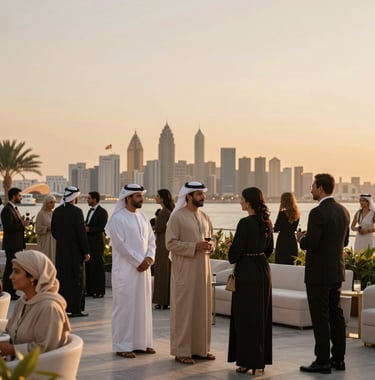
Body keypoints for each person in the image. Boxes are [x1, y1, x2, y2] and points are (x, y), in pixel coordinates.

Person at [297, 173, 350, 374]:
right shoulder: (343, 211)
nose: (311, 189)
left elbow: (312, 244)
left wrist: (301, 239)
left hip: (318, 274)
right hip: (336, 271)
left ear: (320, 189)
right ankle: (338, 360)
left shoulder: (317, 213)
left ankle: (322, 361)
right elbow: (344, 242)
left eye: (312, 186)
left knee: (320, 317)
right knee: (336, 315)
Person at [225, 187, 273, 375]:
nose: (240, 202)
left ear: (249, 202)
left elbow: (234, 254)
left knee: (245, 316)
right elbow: (269, 250)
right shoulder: (267, 222)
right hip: (263, 269)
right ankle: (259, 361)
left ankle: (247, 361)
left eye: (242, 199)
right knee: (261, 315)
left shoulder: (245, 223)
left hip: (247, 271)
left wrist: (229, 244)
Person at [165, 181, 215, 365]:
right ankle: (181, 351)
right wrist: (194, 246)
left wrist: (211, 246)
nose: (203, 197)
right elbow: (170, 243)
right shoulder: (177, 217)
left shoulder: (205, 217)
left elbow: (213, 238)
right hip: (185, 272)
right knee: (184, 311)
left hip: (204, 271)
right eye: (199, 194)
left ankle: (201, 349)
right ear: (189, 196)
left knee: (202, 310)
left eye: (203, 193)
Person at [105, 184, 156, 358]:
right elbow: (120, 245)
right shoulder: (117, 219)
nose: (140, 199)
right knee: (125, 307)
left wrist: (149, 258)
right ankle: (123, 345)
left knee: (143, 306)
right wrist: (138, 261)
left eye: (141, 196)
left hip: (144, 270)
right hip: (126, 271)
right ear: (127, 198)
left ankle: (143, 343)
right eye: (137, 196)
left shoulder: (143, 217)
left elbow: (151, 240)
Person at [0, 249, 71, 358]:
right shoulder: (22, 301)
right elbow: (10, 331)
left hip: (34, 371)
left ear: (32, 276)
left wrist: (12, 350)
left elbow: (47, 349)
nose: (11, 277)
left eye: (17, 272)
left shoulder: (49, 308)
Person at [51, 186, 90, 317]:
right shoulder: (77, 212)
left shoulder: (57, 211)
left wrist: (63, 242)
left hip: (61, 252)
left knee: (62, 279)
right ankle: (76, 309)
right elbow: (81, 234)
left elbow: (54, 231)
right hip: (75, 253)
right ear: (75, 197)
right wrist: (86, 251)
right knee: (76, 279)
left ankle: (63, 307)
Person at [1, 188, 29, 300]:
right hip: (11, 245)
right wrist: (22, 224)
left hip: (16, 244)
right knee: (10, 268)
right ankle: (8, 291)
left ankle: (12, 290)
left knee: (13, 267)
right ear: (13, 196)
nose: (21, 198)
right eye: (19, 196)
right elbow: (8, 227)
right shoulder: (7, 210)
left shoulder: (14, 208)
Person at [152, 189, 175, 310]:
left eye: (157, 196)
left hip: (162, 245)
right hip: (165, 244)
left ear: (162, 198)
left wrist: (153, 223)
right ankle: (165, 300)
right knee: (165, 273)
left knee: (161, 273)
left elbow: (159, 227)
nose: (156, 198)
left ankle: (162, 301)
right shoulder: (168, 211)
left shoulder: (164, 212)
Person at [85, 191, 108, 298]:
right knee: (90, 267)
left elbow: (102, 227)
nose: (88, 200)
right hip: (89, 243)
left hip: (98, 243)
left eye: (89, 198)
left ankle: (99, 291)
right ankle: (90, 290)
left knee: (98, 267)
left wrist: (89, 229)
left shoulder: (102, 212)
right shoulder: (90, 211)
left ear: (95, 199)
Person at [274, 192, 300, 265]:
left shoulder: (282, 213)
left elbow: (276, 228)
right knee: (291, 263)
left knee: (281, 264)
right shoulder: (297, 214)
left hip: (282, 241)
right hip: (292, 241)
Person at [35, 194, 57, 263]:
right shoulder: (41, 214)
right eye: (51, 202)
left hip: (54, 240)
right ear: (46, 203)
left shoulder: (54, 213)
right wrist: (47, 228)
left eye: (54, 202)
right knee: (45, 260)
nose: (53, 204)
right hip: (45, 241)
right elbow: (37, 228)